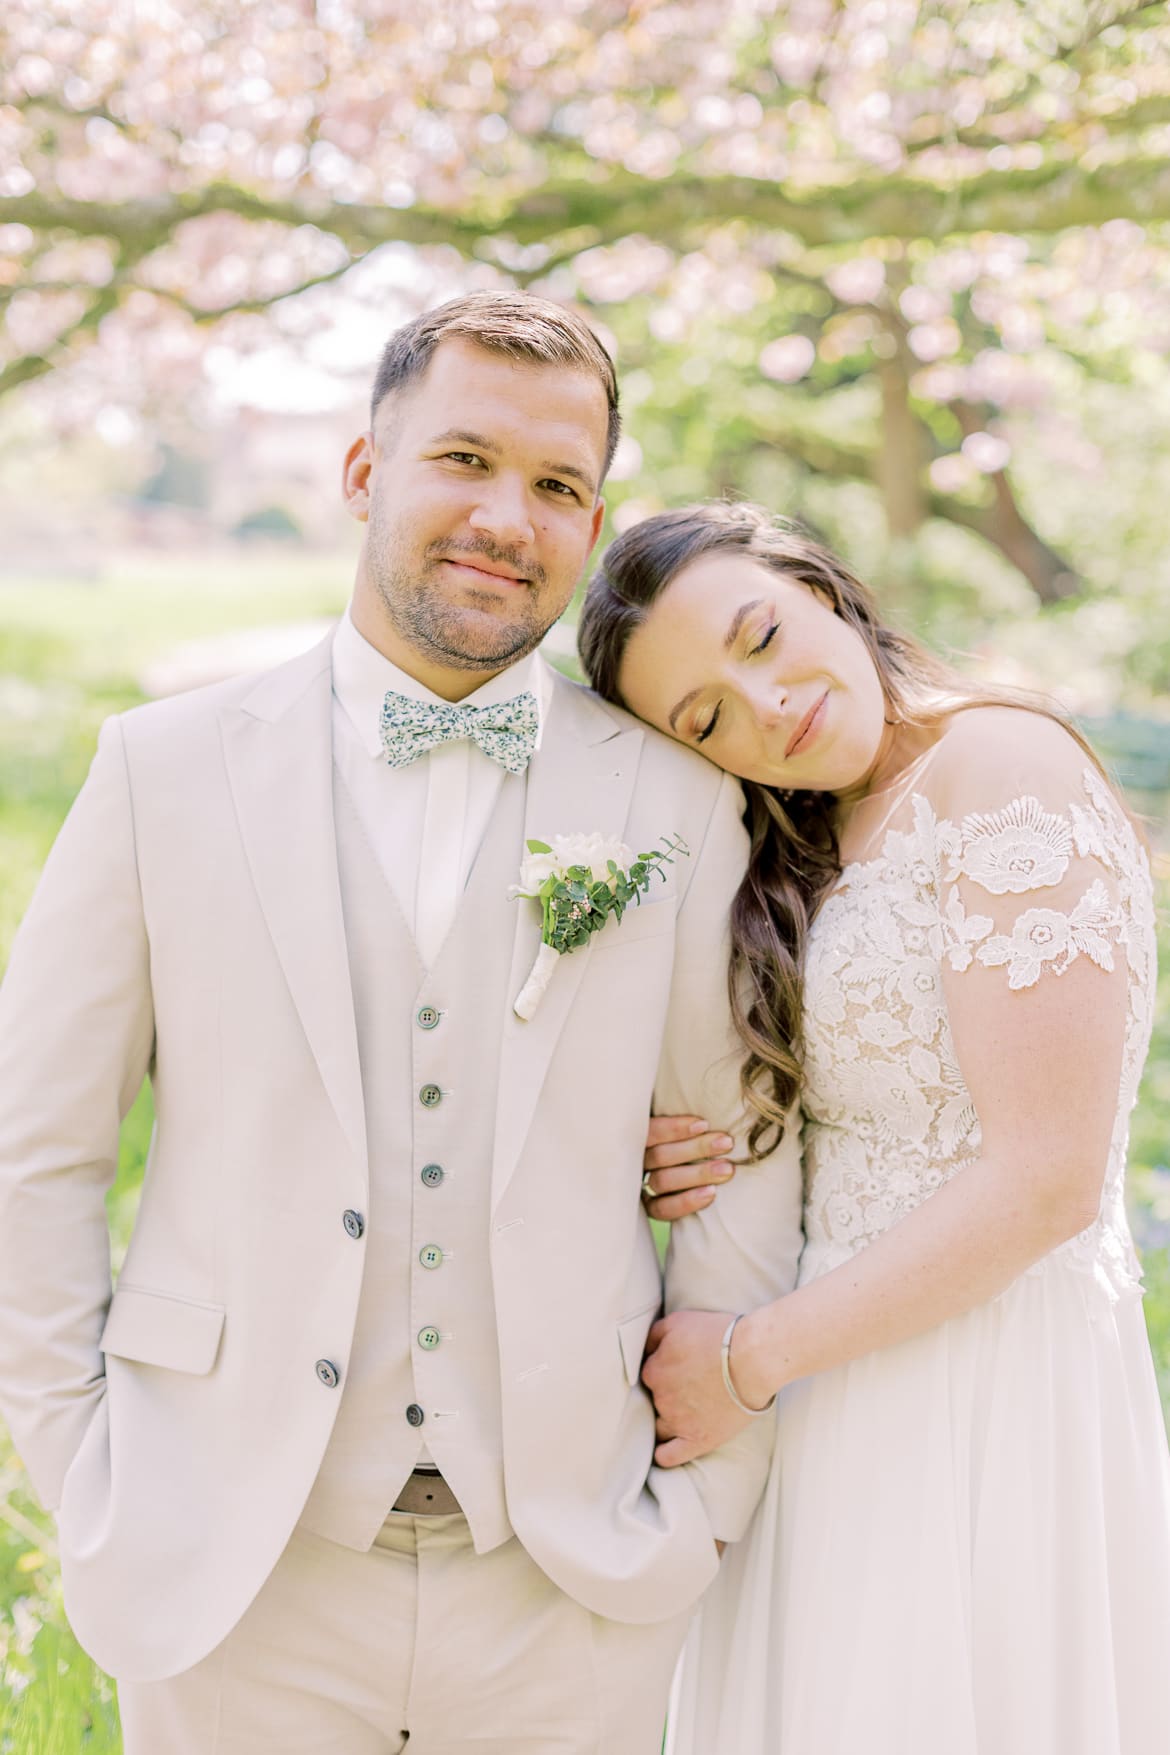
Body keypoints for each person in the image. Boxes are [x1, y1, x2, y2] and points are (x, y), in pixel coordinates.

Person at [0, 298, 804, 1753]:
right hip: (229, 1554)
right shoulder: (160, 770)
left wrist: (701, 1502)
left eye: (555, 485)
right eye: (464, 460)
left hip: (574, 1572)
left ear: (592, 521)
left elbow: (738, 1155)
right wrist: (83, 1465)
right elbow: (34, 1151)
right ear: (366, 471)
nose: (506, 518)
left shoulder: (678, 802)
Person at [578, 500, 1170, 1755]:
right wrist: (692, 1144)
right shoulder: (810, 835)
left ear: (818, 583)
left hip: (984, 1383)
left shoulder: (1000, 769)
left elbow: (1047, 1179)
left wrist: (745, 1363)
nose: (766, 706)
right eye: (706, 720)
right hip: (831, 1392)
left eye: (760, 636)